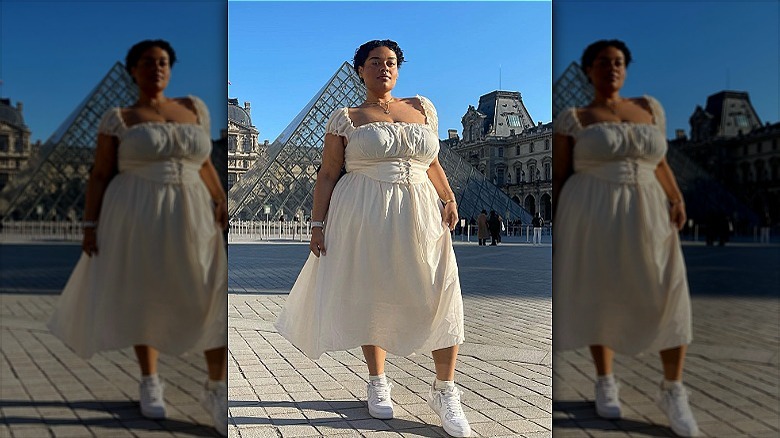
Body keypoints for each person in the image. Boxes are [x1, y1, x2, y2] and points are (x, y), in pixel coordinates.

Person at [274, 40, 471, 437]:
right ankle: (378, 380)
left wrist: (448, 197)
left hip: (421, 211)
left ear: (399, 69)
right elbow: (328, 173)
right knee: (373, 292)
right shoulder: (345, 117)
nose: (385, 68)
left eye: (392, 62)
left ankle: (445, 389)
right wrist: (316, 224)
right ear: (359, 70)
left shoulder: (423, 108)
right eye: (375, 62)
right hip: (363, 213)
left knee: (440, 292)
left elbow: (432, 161)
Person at [47, 40, 228, 436]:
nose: (156, 68)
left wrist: (221, 199)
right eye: (147, 63)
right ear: (132, 70)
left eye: (163, 62)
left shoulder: (195, 107)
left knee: (210, 296)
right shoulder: (118, 117)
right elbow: (99, 174)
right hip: (135, 212)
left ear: (171, 67)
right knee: (146, 294)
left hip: (195, 211)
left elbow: (204, 164)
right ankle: (150, 380)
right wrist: (90, 226)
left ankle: (216, 387)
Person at [552, 40, 699, 437]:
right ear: (588, 70)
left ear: (626, 68)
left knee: (669, 293)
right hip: (593, 211)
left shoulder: (650, 108)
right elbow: (562, 175)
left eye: (618, 62)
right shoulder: (573, 117)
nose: (611, 68)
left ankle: (673, 388)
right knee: (603, 293)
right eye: (602, 62)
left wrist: (676, 196)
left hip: (651, 209)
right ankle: (605, 379)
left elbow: (661, 161)